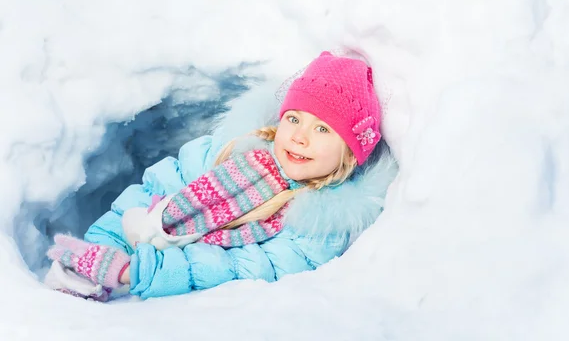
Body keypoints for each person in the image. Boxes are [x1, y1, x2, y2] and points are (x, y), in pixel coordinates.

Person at [44, 51, 398, 301]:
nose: (300, 136)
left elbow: (238, 267)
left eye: (323, 129)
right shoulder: (230, 152)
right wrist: (105, 246)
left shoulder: (318, 228)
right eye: (294, 119)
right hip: (135, 249)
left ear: (351, 154)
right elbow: (157, 187)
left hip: (159, 281)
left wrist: (136, 271)